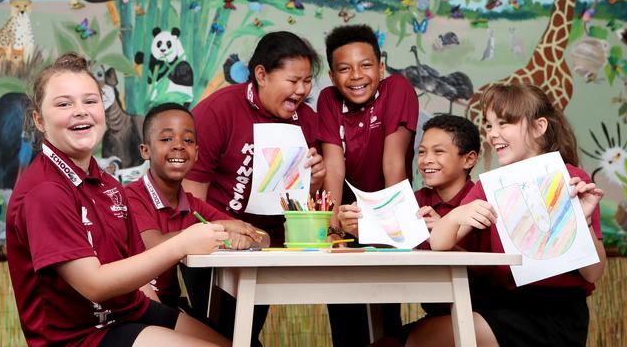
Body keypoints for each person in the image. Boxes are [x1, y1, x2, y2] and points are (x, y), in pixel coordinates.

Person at [6, 53, 230, 347]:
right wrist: (183, 243)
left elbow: (138, 276)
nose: (80, 111)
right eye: (64, 104)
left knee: (236, 343)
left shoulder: (108, 184)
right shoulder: (45, 191)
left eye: (90, 101)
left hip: (128, 312)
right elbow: (94, 285)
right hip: (82, 338)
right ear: (39, 120)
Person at [404, 84, 607, 347]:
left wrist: (585, 223)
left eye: (503, 123)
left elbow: (593, 274)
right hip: (503, 304)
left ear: (539, 127)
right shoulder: (489, 186)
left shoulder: (571, 179)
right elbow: (439, 243)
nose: (493, 134)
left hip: (555, 313)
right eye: (488, 125)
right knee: (420, 334)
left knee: (425, 337)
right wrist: (458, 216)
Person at [182, 31, 326, 345]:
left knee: (244, 333)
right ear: (261, 74)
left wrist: (314, 181)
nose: (302, 90)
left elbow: (304, 200)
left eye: (307, 81)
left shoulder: (307, 120)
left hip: (267, 250)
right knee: (222, 336)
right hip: (216, 248)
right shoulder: (218, 110)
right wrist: (222, 232)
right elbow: (190, 194)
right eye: (293, 80)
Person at [337, 114, 480, 344]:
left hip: (480, 314)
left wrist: (447, 235)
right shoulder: (413, 200)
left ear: (469, 159)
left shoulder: (478, 203)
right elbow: (396, 243)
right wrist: (359, 229)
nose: (426, 160)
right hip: (435, 315)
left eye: (439, 152)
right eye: (422, 152)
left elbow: (491, 274)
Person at [318, 24, 419, 346]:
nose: (356, 76)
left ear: (380, 67)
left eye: (365, 65)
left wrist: (391, 231)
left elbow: (394, 164)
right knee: (344, 311)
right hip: (348, 217)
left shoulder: (398, 88)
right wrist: (333, 230)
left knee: (383, 311)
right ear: (333, 76)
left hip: (388, 213)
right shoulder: (327, 99)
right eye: (344, 69)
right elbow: (333, 166)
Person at [125, 103, 268, 311]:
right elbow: (154, 244)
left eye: (188, 140)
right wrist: (218, 228)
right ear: (145, 150)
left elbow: (263, 237)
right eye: (166, 139)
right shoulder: (131, 196)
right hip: (133, 307)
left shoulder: (192, 205)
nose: (179, 146)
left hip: (169, 306)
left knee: (236, 332)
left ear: (197, 152)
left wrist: (242, 238)